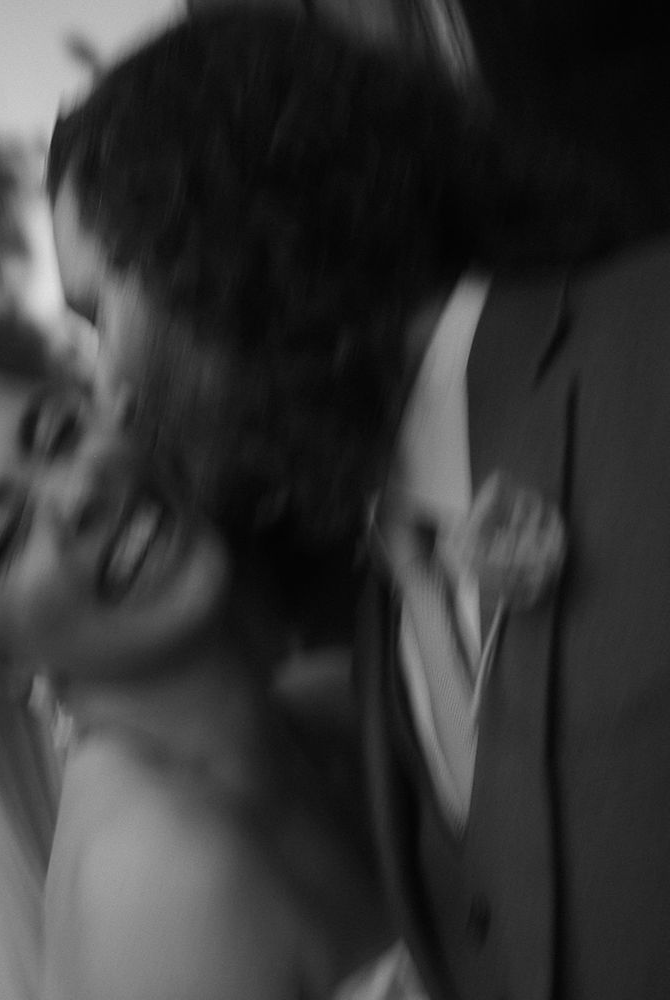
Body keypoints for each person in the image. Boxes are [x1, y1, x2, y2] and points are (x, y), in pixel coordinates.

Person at [44, 8, 670, 1000]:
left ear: (220, 225)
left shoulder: (650, 344)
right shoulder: (383, 602)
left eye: (98, 308)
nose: (109, 388)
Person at [0, 363, 409, 1000]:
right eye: (6, 537)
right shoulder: (158, 881)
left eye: (59, 435)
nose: (78, 493)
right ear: (1, 664)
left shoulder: (340, 708)